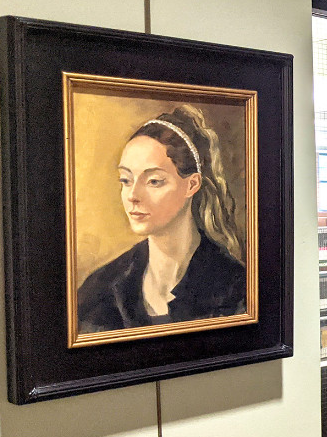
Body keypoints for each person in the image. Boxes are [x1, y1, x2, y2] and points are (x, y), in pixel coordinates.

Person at [76, 104, 247, 333]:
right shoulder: (100, 290)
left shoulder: (235, 286)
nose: (133, 196)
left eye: (154, 181)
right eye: (126, 180)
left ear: (192, 184)